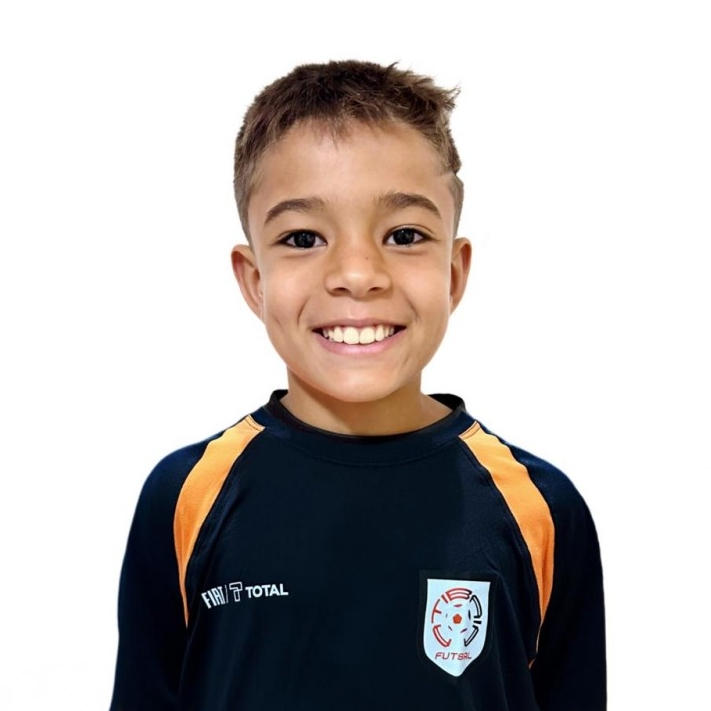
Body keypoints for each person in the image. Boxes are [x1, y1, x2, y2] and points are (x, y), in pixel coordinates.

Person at [109, 60, 606, 711]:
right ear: (254, 281)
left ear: (454, 273)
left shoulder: (541, 509)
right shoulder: (185, 497)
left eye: (404, 235)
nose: (357, 273)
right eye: (302, 237)